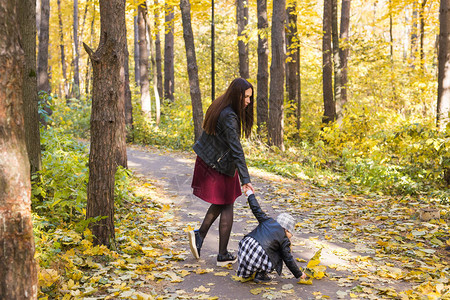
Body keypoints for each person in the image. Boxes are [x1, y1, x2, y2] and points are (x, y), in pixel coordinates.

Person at [188, 78, 255, 267]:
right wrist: (246, 179)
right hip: (218, 163)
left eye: (250, 97)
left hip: (216, 161)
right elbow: (236, 149)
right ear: (237, 95)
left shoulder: (221, 104)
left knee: (225, 203)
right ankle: (219, 251)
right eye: (246, 97)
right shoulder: (229, 116)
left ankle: (202, 238)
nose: (248, 102)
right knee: (226, 204)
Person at [236, 190, 307, 283]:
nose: (291, 236)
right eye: (291, 232)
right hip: (258, 254)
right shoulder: (284, 239)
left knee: (261, 250)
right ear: (286, 229)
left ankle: (248, 272)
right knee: (279, 254)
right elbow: (288, 259)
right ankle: (261, 274)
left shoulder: (267, 220)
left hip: (244, 249)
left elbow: (256, 208)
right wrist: (299, 274)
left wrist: (250, 194)